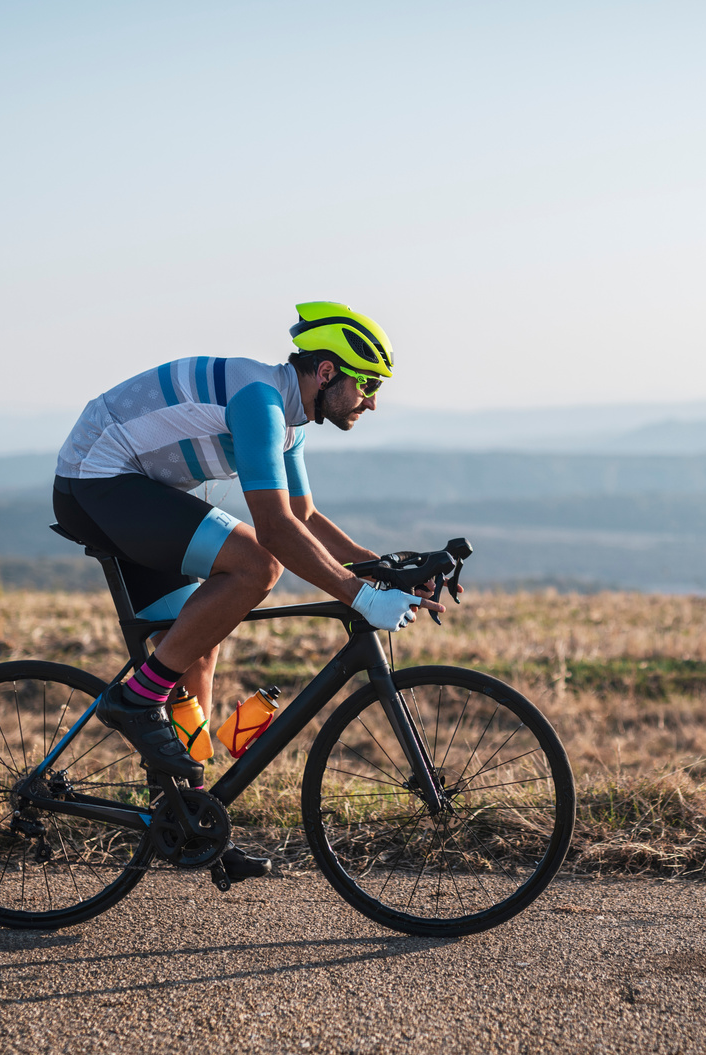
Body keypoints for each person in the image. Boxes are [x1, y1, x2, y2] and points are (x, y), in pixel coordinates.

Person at [51, 302, 444, 867]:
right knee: (258, 565)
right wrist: (358, 596)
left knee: (196, 653)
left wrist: (380, 567)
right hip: (98, 480)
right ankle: (137, 701)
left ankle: (189, 818)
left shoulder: (288, 420)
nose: (373, 401)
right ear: (328, 372)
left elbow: (303, 515)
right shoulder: (260, 402)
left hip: (131, 490)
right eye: (368, 384)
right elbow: (276, 531)